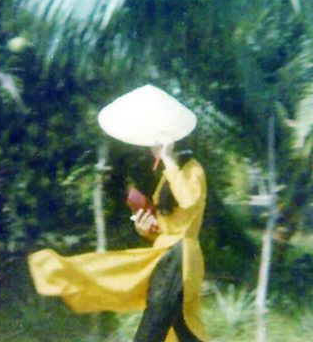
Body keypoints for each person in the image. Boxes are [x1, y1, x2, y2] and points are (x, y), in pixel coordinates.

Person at [28, 85, 208, 341]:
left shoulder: (192, 170)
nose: (153, 149)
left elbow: (189, 200)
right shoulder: (169, 175)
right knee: (178, 328)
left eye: (157, 144)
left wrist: (167, 159)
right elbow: (168, 225)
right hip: (167, 255)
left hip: (181, 257)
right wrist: (145, 228)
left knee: (157, 326)